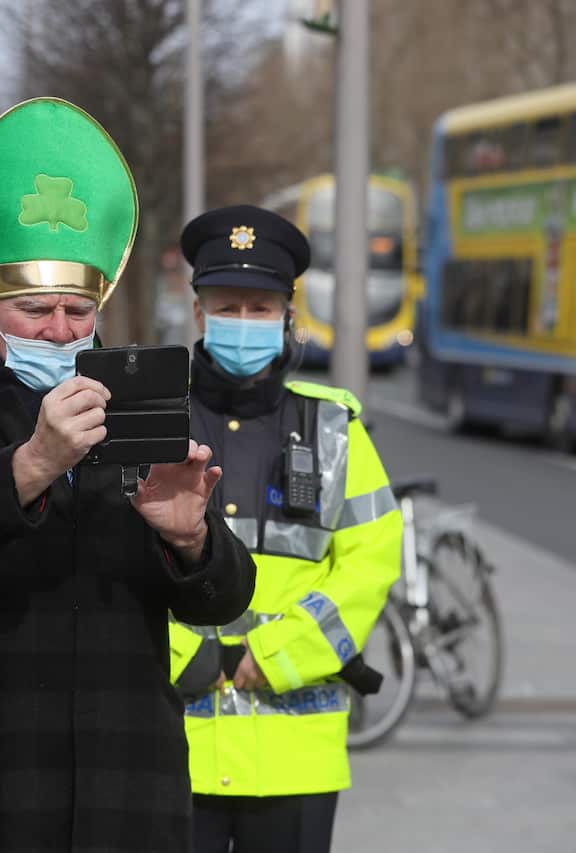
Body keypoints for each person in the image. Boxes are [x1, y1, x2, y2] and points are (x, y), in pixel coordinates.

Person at [0, 98, 258, 853]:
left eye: (79, 309)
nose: (61, 330)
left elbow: (225, 598)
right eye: (35, 309)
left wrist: (192, 541)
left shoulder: (144, 413)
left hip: (128, 795)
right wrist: (33, 465)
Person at [167, 205, 402, 853]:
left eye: (260, 308)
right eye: (228, 307)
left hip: (295, 758)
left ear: (287, 317)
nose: (245, 323)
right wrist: (191, 657)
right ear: (198, 314)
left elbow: (371, 560)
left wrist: (271, 657)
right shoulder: (152, 424)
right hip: (171, 748)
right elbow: (110, 560)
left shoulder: (335, 428)